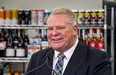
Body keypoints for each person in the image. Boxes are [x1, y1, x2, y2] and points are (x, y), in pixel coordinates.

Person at [26, 7, 111, 75]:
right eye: (50, 29)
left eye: (60, 28)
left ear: (74, 30)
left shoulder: (98, 59)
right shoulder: (37, 59)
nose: (54, 33)